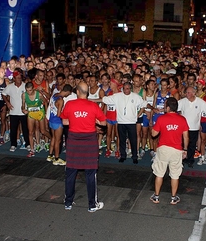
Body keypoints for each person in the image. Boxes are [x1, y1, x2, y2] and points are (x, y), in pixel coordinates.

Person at [60, 81, 106, 212]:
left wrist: (76, 120)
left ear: (78, 92)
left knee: (70, 172)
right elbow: (103, 122)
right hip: (90, 141)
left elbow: (64, 121)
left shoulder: (70, 104)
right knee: (91, 173)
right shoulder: (93, 105)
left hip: (74, 140)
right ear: (87, 92)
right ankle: (92, 205)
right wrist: (94, 122)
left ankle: (68, 202)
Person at [150, 97, 189, 205]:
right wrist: (185, 150)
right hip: (177, 150)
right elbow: (186, 137)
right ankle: (173, 198)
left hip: (163, 149)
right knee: (175, 175)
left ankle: (156, 197)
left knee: (159, 173)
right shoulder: (182, 119)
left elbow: (153, 134)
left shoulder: (162, 119)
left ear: (167, 107)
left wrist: (153, 126)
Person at [102, 82, 147, 164]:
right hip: (121, 122)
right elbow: (105, 100)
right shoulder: (118, 96)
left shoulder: (136, 97)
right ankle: (123, 155)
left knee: (133, 140)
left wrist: (138, 114)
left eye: (128, 88)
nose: (126, 90)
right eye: (124, 88)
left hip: (131, 122)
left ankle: (134, 156)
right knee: (122, 140)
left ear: (130, 89)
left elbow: (144, 104)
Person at [178, 86, 206, 168]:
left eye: (189, 92)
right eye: (187, 92)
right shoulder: (182, 101)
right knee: (183, 144)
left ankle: (190, 160)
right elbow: (174, 107)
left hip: (194, 127)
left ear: (194, 93)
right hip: (184, 128)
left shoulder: (200, 102)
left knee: (192, 145)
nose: (187, 94)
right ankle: (181, 160)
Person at [2, 70, 30, 152]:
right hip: (13, 112)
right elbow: (3, 94)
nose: (19, 80)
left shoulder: (25, 86)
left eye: (20, 78)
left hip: (23, 112)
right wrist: (7, 103)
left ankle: (27, 143)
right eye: (17, 78)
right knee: (13, 129)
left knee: (25, 129)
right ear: (14, 78)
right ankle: (13, 144)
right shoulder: (10, 87)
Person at [21, 82, 51, 157]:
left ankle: (53, 139)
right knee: (30, 132)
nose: (29, 92)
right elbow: (23, 106)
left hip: (40, 112)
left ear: (33, 89)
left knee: (43, 131)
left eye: (30, 90)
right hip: (31, 113)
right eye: (27, 90)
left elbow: (46, 101)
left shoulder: (39, 94)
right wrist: (23, 110)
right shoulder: (24, 95)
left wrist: (46, 113)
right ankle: (32, 150)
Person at [47, 84, 72, 165]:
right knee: (58, 140)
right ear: (67, 91)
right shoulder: (61, 100)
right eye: (69, 93)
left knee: (53, 138)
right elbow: (59, 114)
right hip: (57, 122)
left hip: (51, 120)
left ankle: (50, 155)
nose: (68, 95)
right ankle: (57, 158)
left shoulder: (55, 95)